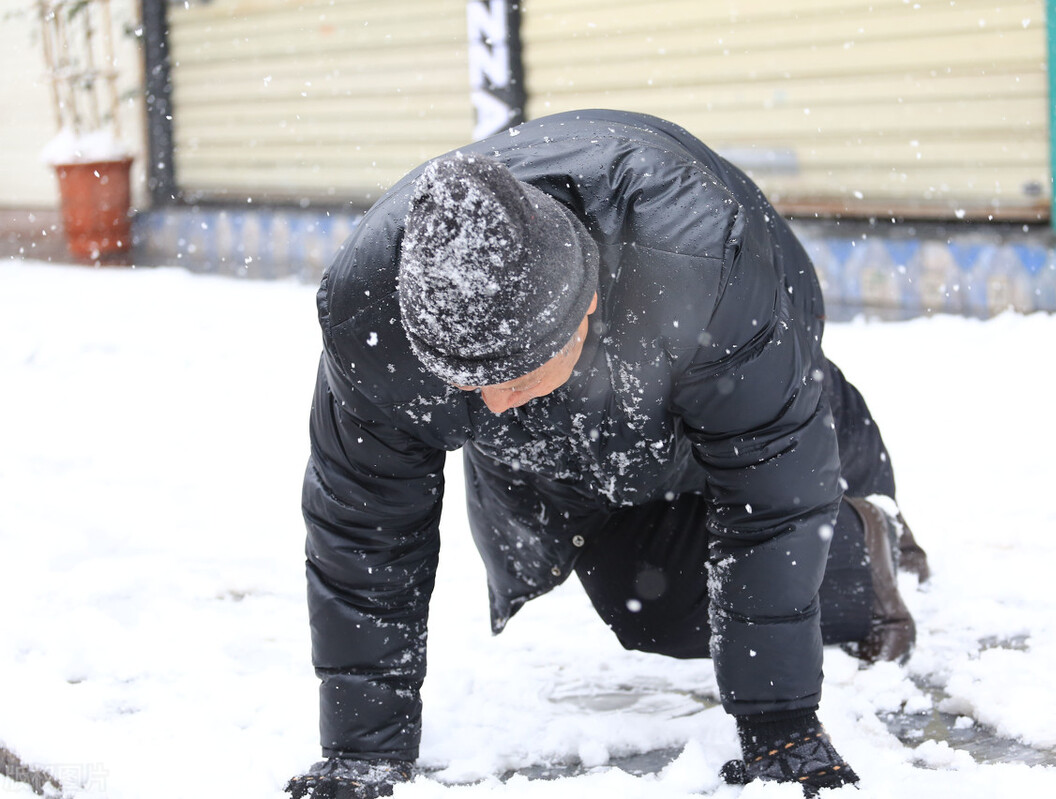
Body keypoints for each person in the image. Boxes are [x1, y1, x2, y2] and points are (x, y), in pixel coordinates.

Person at [287, 109, 929, 799]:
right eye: (468, 384)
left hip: (735, 384)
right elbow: (365, 525)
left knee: (782, 462)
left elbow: (771, 493)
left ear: (583, 304)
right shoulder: (373, 317)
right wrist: (362, 753)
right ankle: (844, 537)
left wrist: (782, 726)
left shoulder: (701, 260)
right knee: (651, 608)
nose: (494, 403)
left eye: (514, 377)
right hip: (571, 450)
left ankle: (866, 535)